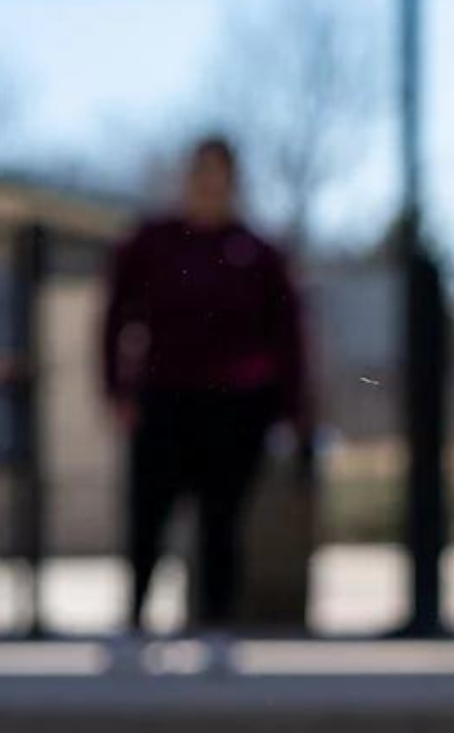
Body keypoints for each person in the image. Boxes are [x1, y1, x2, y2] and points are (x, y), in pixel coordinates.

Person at [100, 135, 309, 642]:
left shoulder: (257, 253)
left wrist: (289, 411)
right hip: (164, 399)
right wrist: (115, 389)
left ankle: (216, 623)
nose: (210, 183)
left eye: (220, 173)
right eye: (202, 171)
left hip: (236, 407)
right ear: (187, 177)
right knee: (148, 515)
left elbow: (289, 336)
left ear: (233, 182)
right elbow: (112, 319)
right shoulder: (151, 245)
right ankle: (135, 621)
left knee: (222, 520)